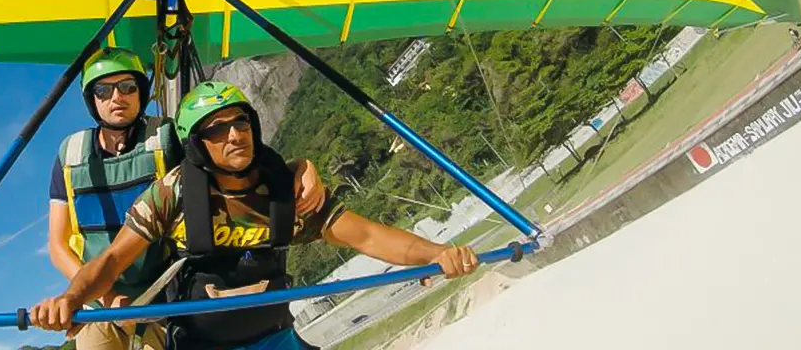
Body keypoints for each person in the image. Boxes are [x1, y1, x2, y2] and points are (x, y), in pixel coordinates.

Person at [36, 80, 480, 350]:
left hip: (275, 339)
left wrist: (435, 253)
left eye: (241, 123)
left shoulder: (283, 190)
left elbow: (365, 236)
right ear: (196, 145)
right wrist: (72, 300)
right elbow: (113, 259)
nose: (234, 135)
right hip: (200, 344)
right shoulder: (171, 193)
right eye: (216, 129)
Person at [48, 51, 325, 350]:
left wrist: (299, 167)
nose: (117, 97)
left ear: (141, 92)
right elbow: (57, 243)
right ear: (92, 99)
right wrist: (106, 297)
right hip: (98, 300)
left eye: (128, 86)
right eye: (103, 90)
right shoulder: (71, 153)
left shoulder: (165, 136)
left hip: (165, 295)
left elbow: (237, 166)